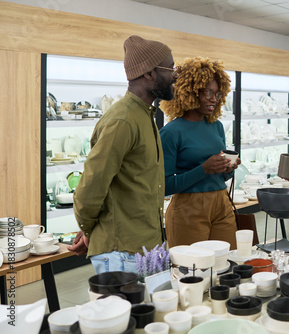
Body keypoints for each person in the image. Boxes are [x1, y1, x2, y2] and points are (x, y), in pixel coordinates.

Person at [69, 35, 177, 273]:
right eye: (170, 67)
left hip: (145, 248)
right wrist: (90, 230)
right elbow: (89, 188)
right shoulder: (123, 120)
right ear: (149, 73)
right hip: (123, 254)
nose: (175, 74)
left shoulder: (143, 115)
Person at [159, 56, 239, 249]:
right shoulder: (170, 132)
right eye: (208, 93)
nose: (214, 99)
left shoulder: (216, 126)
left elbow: (223, 176)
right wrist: (204, 169)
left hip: (222, 203)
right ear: (191, 92)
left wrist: (228, 167)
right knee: (193, 271)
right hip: (188, 208)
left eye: (218, 94)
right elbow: (165, 186)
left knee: (229, 263)